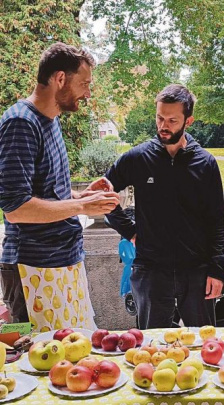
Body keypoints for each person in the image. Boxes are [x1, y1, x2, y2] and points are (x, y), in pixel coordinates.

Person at [0, 42, 120, 331]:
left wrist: (81, 195)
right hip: (31, 268)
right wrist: (81, 206)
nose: (88, 94)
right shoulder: (20, 123)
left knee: (74, 355)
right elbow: (16, 209)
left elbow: (46, 192)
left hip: (62, 262)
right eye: (85, 84)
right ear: (60, 79)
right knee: (35, 363)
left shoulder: (50, 121)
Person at [105, 84, 224, 329]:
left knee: (202, 346)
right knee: (150, 349)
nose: (163, 126)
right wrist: (129, 230)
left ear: (188, 121)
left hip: (197, 270)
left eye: (172, 120)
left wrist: (216, 268)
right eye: (160, 118)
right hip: (150, 269)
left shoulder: (206, 163)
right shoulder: (137, 158)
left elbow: (216, 220)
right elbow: (102, 192)